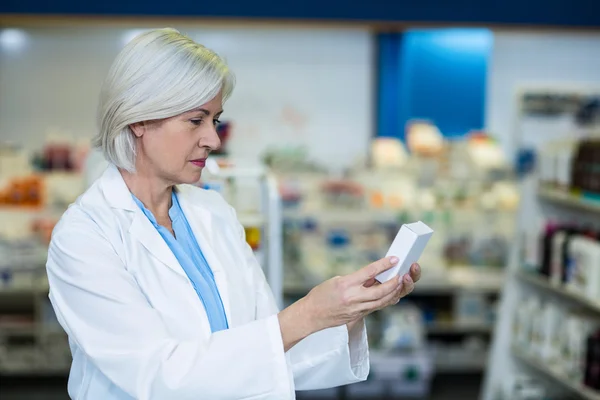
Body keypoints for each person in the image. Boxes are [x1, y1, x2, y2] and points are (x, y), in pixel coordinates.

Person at [46, 28, 421, 400]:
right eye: (196, 120)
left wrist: (347, 310)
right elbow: (159, 376)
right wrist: (307, 312)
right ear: (139, 119)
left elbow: (267, 353)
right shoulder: (84, 237)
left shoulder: (212, 212)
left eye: (215, 120)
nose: (212, 139)